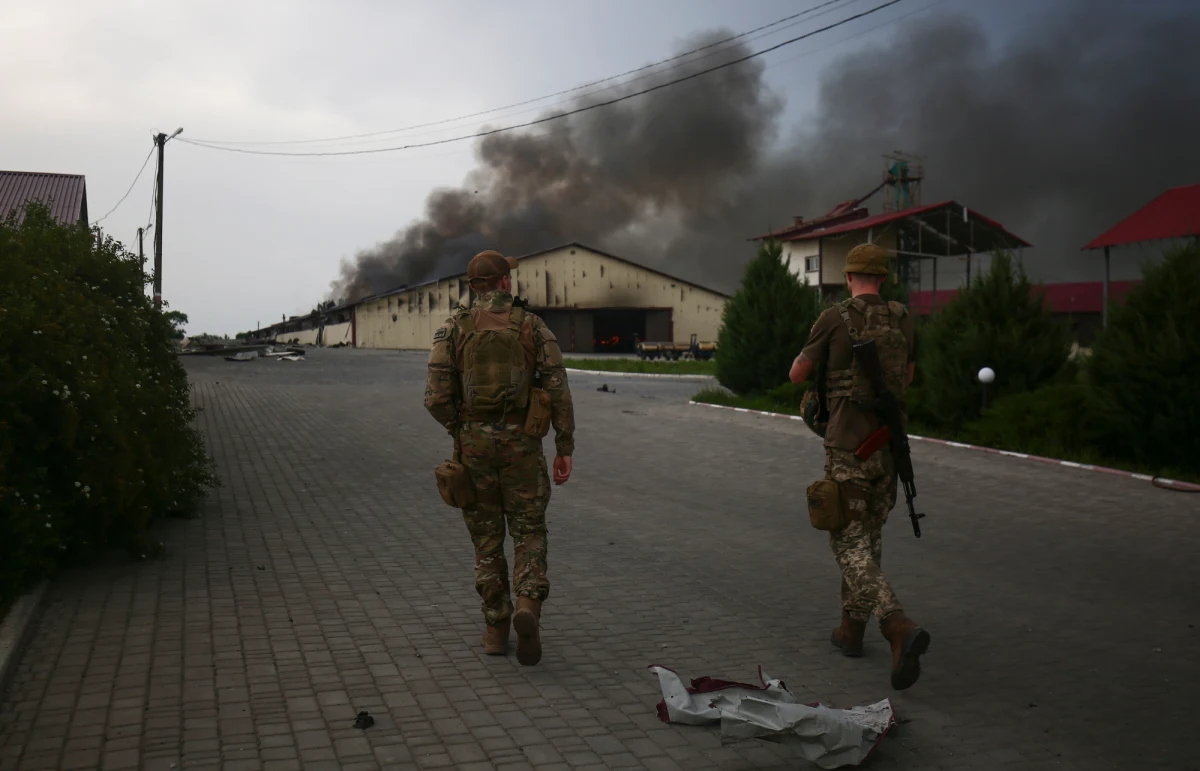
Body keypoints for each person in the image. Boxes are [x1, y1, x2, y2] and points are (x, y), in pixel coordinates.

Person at [788, 242, 930, 690]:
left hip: (849, 447)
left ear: (849, 278)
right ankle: (852, 631)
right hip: (888, 449)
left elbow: (797, 374)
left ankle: (896, 625)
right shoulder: (904, 319)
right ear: (883, 279)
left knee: (848, 545)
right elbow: (906, 377)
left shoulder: (834, 317)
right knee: (868, 536)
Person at [424, 249, 575, 666]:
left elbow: (435, 397)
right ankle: (528, 604)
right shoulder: (532, 325)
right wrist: (564, 447)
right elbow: (559, 390)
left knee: (487, 542)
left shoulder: (453, 328)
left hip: (473, 447)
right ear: (506, 282)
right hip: (523, 446)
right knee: (529, 531)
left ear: (473, 287)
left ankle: (495, 627)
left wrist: (461, 428)